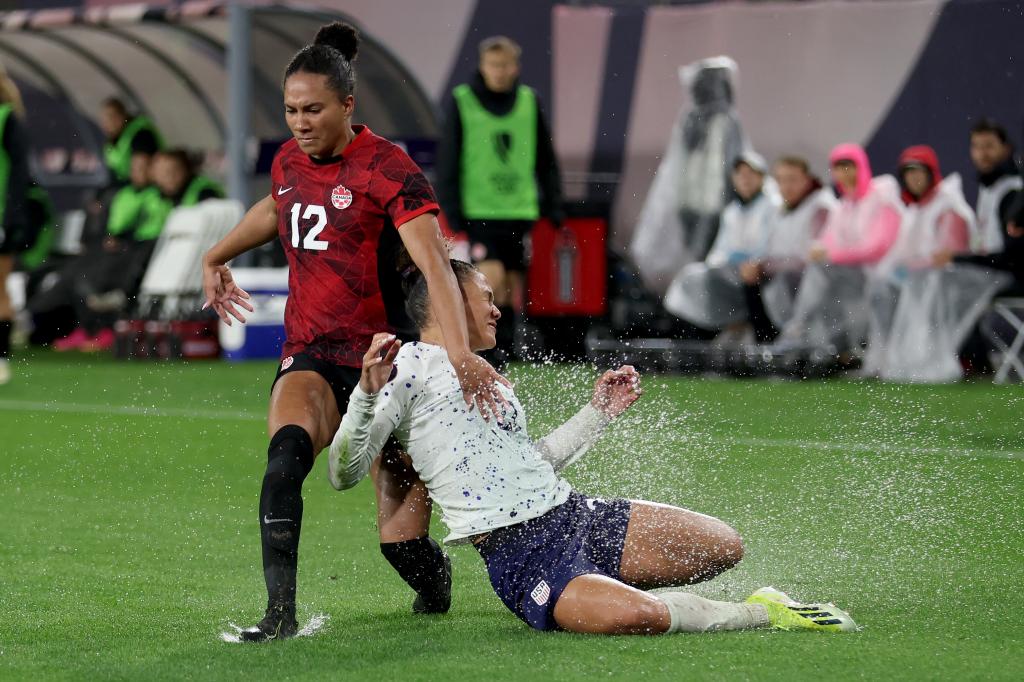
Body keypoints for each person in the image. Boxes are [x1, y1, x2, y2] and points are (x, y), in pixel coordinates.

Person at [328, 260, 857, 635]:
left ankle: (605, 584)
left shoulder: (487, 374)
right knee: (638, 620)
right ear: (447, 297)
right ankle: (757, 612)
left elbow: (529, 464)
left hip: (574, 514)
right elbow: (342, 473)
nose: (497, 307)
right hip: (522, 554)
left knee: (724, 546)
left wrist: (596, 413)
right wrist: (366, 396)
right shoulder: (405, 370)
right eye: (486, 296)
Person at [201, 22, 507, 642]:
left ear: (347, 105)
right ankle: (279, 616)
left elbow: (434, 265)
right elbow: (277, 206)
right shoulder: (289, 159)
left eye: (312, 109)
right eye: (290, 110)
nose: (299, 122)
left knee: (402, 546)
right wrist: (216, 254)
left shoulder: (388, 169)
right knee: (283, 462)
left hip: (387, 363)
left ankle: (438, 580)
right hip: (312, 353)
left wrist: (458, 355)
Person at [435, 35, 564, 366]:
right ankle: (490, 354)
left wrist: (553, 203)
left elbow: (545, 158)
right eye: (494, 65)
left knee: (509, 288)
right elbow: (449, 158)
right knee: (489, 281)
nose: (500, 72)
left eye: (506, 65)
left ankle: (503, 350)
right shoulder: (463, 101)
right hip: (479, 212)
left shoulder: (528, 101)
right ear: (483, 66)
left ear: (516, 67)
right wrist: (451, 209)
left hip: (518, 211)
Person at [862, 145, 1004, 382]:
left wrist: (913, 269)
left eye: (919, 171)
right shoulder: (916, 208)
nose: (914, 178)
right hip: (920, 279)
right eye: (909, 172)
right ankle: (885, 357)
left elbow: (950, 257)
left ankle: (942, 359)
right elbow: (903, 255)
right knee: (881, 287)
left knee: (920, 286)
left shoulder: (948, 206)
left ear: (931, 173)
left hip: (952, 281)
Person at [774, 143, 902, 361]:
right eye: (838, 168)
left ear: (861, 167)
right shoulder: (843, 206)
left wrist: (830, 255)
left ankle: (797, 332)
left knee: (819, 271)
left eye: (848, 167)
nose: (844, 174)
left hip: (884, 275)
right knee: (813, 272)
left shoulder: (882, 196)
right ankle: (826, 348)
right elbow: (827, 242)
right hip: (853, 277)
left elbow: (878, 246)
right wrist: (820, 251)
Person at [631, 57, 746, 294]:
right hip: (695, 203)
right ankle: (700, 309)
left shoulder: (721, 121)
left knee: (711, 259)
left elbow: (731, 165)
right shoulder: (694, 120)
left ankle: (709, 310)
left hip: (711, 203)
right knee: (700, 260)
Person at [663, 151, 779, 344]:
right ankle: (693, 343)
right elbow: (720, 250)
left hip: (761, 270)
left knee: (748, 278)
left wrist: (754, 262)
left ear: (761, 178)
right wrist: (718, 265)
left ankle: (763, 342)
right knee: (693, 278)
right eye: (740, 175)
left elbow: (770, 245)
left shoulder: (772, 206)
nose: (745, 180)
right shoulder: (732, 212)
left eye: (750, 175)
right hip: (732, 270)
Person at [739, 156, 836, 343]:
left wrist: (764, 266)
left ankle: (786, 346)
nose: (786, 186)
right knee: (748, 278)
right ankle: (766, 347)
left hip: (812, 280)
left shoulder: (821, 206)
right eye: (781, 180)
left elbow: (810, 257)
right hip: (781, 273)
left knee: (778, 279)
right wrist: (757, 265)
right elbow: (768, 248)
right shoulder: (779, 210)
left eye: (792, 179)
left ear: (807, 180)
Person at [0, 65, 31, 385]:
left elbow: (19, 174)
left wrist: (13, 218)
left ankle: (2, 358)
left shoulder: (7, 120)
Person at [966, 119, 1022, 255]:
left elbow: (1014, 260)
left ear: (1006, 149)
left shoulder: (1014, 192)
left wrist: (956, 259)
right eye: (976, 146)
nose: (982, 154)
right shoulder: (987, 186)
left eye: (989, 146)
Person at [99, 97, 163, 186]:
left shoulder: (140, 134)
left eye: (111, 117)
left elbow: (141, 173)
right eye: (104, 119)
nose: (106, 123)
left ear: (123, 116)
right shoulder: (113, 140)